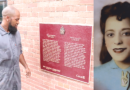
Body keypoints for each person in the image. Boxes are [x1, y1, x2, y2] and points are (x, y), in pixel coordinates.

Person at [94, 1, 130, 90]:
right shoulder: (94, 76)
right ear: (105, 39)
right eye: (110, 34)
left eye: (125, 33)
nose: (117, 41)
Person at [0, 6, 31, 90]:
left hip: (16, 79)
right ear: (7, 18)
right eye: (16, 19)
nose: (18, 22)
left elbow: (19, 52)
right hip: (3, 82)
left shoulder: (16, 33)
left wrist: (26, 66)